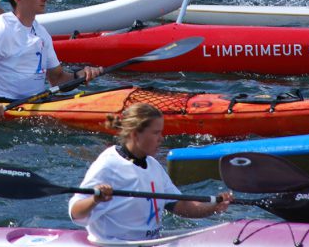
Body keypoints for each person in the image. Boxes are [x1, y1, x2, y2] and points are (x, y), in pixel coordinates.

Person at [68, 103, 232, 242]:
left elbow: (180, 205)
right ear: (135, 134)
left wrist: (213, 207)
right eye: (156, 133)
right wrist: (95, 199)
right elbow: (75, 213)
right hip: (114, 244)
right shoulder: (108, 165)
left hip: (149, 242)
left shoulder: (153, 165)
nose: (161, 138)